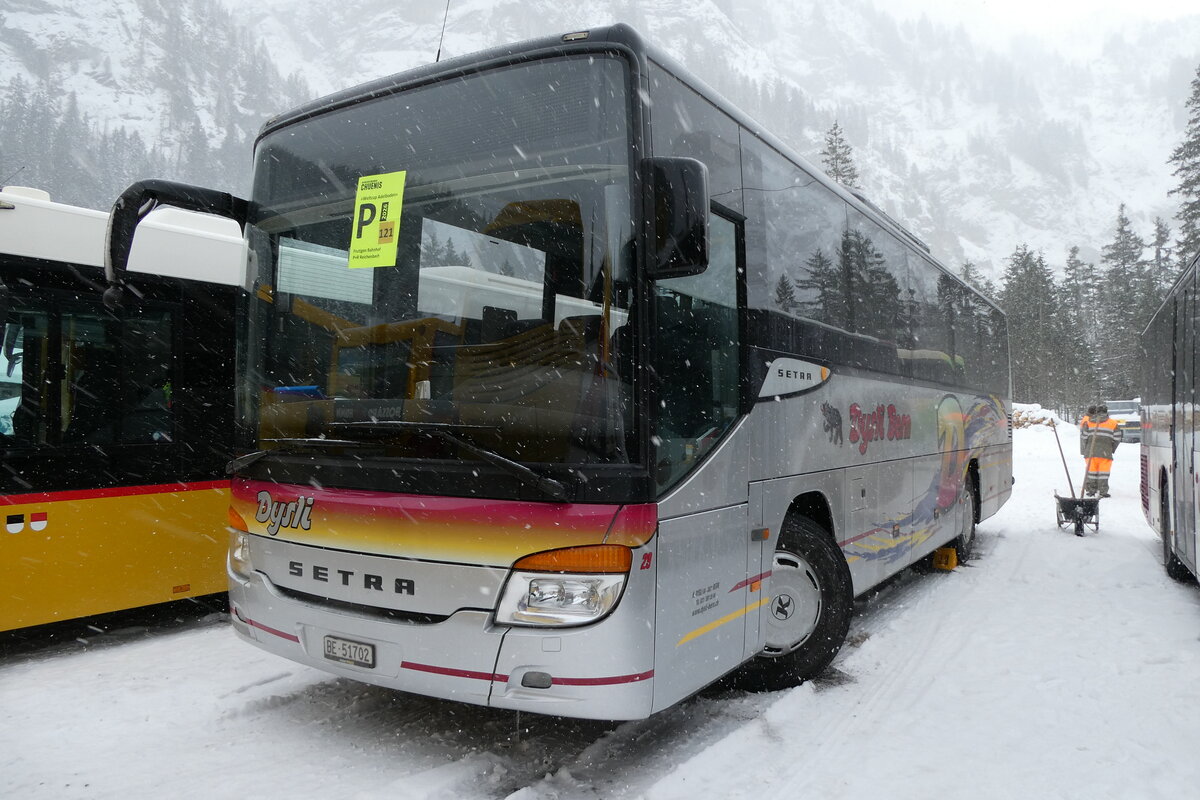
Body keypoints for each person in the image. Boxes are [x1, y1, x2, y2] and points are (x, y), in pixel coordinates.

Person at [1080, 404, 1122, 497]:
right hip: (1105, 453)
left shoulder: (1089, 422)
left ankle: (1091, 490)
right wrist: (1111, 448)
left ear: (1096, 412)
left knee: (1091, 472)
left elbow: (1083, 437)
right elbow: (1118, 438)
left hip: (1091, 452)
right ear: (1106, 412)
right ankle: (1103, 491)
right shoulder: (1113, 423)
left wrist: (1086, 448)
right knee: (1104, 473)